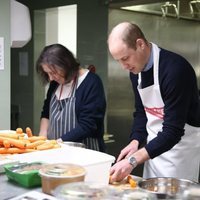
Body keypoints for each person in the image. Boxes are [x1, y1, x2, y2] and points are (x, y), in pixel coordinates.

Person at [108, 22, 200, 182]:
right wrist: (136, 140)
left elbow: (173, 131)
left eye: (125, 58)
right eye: (118, 61)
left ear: (140, 44)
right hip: (152, 151)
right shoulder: (136, 70)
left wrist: (133, 160)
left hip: (180, 152)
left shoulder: (175, 70)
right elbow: (141, 111)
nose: (123, 66)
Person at [36, 43, 106, 152]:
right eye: (47, 73)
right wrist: (42, 137)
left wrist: (57, 143)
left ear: (66, 65)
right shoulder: (55, 83)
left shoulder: (91, 82)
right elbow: (46, 113)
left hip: (85, 154)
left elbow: (88, 125)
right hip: (55, 151)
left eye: (53, 73)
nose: (50, 78)